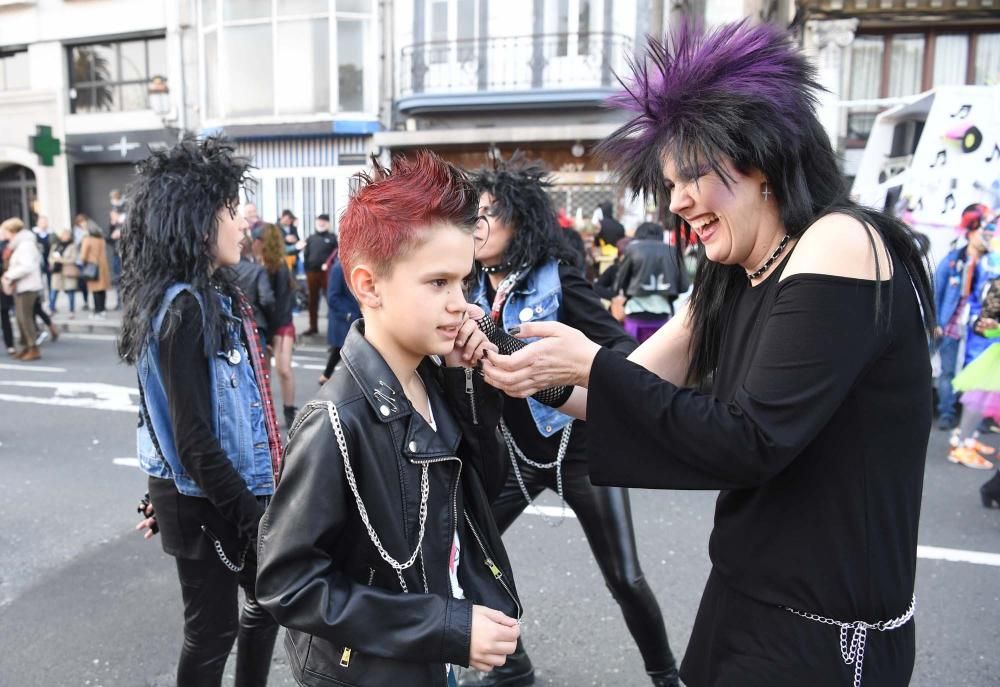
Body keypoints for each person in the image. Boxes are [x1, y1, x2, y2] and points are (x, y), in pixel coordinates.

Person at [481, 21, 934, 687]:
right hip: (740, 599)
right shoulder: (732, 272)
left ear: (767, 160)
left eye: (694, 175)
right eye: (669, 182)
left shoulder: (840, 240)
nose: (679, 201)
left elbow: (752, 439)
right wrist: (510, 362)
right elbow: (627, 388)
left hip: (826, 639)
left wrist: (589, 364)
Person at [256, 151, 522, 687]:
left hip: (426, 659)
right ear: (369, 285)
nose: (462, 305)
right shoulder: (334, 421)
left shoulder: (435, 379)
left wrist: (472, 384)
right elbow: (288, 582)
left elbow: (480, 500)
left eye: (464, 283)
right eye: (438, 283)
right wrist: (444, 627)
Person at [462, 153, 679, 687]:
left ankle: (668, 677)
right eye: (474, 215)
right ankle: (513, 668)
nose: (477, 226)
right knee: (466, 556)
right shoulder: (467, 289)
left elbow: (623, 357)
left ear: (520, 218)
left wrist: (571, 377)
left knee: (625, 577)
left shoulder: (557, 277)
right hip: (515, 454)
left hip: (578, 450)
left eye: (489, 213)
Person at [119, 136, 281, 687]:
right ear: (194, 218)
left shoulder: (211, 297)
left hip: (220, 492)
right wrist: (256, 520)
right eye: (230, 210)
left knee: (266, 606)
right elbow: (189, 436)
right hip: (212, 499)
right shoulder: (183, 308)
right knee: (213, 633)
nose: (242, 224)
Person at [934, 204, 994, 430]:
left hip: (979, 331)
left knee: (978, 374)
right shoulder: (952, 260)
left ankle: (975, 419)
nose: (987, 236)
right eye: (983, 231)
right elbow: (935, 290)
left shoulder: (992, 264)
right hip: (951, 325)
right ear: (970, 232)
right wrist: (935, 321)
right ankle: (947, 413)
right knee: (947, 371)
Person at [614, 221, 690, 343]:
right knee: (660, 357)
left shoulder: (633, 249)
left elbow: (619, 283)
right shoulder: (672, 251)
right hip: (662, 314)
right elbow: (684, 286)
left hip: (635, 312)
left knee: (632, 354)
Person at [259, 223, 297, 427]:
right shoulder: (264, 265)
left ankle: (289, 411)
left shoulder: (279, 268)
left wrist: (274, 333)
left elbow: (281, 302)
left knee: (283, 369)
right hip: (271, 325)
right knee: (268, 371)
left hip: (281, 325)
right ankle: (269, 414)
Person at [1, 217, 45, 361]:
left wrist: (9, 275)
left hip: (28, 285)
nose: (3, 233)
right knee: (20, 318)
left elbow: (27, 266)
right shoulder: (19, 244)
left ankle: (33, 348)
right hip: (22, 285)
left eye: (5, 230)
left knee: (25, 318)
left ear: (12, 231)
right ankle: (27, 346)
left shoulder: (26, 245)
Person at [318, 248, 360, 384]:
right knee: (346, 350)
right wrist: (348, 314)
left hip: (352, 317)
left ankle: (326, 376)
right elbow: (332, 297)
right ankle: (330, 377)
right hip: (343, 319)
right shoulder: (338, 268)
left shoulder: (353, 267)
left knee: (343, 350)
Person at [302, 212, 338, 335]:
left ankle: (333, 328)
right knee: (312, 301)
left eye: (324, 221)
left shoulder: (333, 238)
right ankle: (313, 327)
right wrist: (307, 270)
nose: (321, 223)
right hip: (311, 273)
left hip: (328, 274)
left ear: (328, 223)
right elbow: (306, 255)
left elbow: (337, 256)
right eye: (319, 221)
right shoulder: (311, 238)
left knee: (331, 299)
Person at [80, 224, 111, 318]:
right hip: (103, 266)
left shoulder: (87, 240)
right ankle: (102, 310)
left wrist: (83, 263)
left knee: (95, 290)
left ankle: (97, 311)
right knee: (102, 289)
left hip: (92, 266)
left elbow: (83, 256)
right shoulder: (101, 240)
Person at [48, 227, 79, 317]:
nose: (65, 236)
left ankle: (71, 311)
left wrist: (60, 259)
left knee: (70, 292)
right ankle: (51, 308)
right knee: (54, 291)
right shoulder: (55, 246)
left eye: (67, 235)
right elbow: (50, 258)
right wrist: (53, 261)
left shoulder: (72, 246)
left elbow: (73, 259)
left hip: (68, 271)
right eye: (64, 234)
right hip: (56, 271)